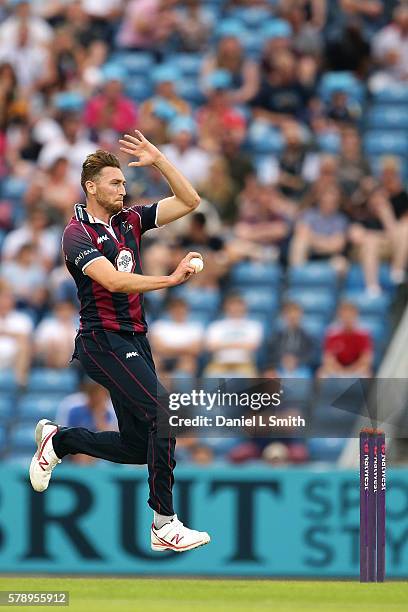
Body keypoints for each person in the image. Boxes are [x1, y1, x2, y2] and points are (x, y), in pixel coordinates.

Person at [29, 132, 210, 552]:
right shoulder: (76, 235)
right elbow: (112, 280)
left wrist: (161, 160)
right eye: (115, 183)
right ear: (90, 186)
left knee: (137, 446)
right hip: (101, 340)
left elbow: (190, 202)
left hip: (135, 341)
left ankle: (60, 441)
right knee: (164, 414)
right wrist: (169, 279)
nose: (123, 189)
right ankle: (164, 523)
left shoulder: (129, 220)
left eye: (124, 183)